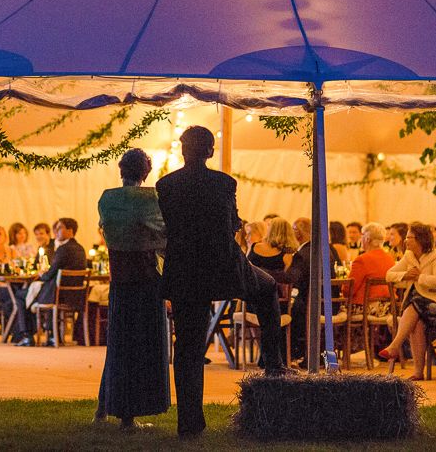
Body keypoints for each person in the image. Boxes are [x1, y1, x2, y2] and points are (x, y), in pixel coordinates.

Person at [156, 126, 285, 439]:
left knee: (187, 346)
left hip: (185, 269)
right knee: (267, 289)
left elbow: (167, 226)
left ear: (182, 150)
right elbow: (232, 223)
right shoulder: (225, 182)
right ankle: (273, 368)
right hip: (224, 265)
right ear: (210, 151)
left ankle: (189, 423)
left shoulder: (166, 184)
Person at [93, 149, 169, 429]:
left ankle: (103, 407)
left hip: (119, 279)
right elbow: (164, 235)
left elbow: (108, 231)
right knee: (142, 346)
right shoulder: (149, 199)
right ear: (145, 172)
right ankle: (128, 416)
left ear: (121, 169)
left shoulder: (107, 198)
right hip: (146, 279)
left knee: (118, 344)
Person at [379, 222, 436, 381]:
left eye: (409, 237)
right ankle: (418, 372)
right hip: (420, 309)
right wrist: (405, 275)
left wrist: (419, 277)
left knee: (415, 304)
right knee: (417, 324)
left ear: (420, 239)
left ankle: (395, 346)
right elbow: (389, 275)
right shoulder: (409, 257)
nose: (406, 240)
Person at [274, 218, 340, 364]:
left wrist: (270, 274)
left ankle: (284, 356)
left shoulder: (302, 254)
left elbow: (291, 279)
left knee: (281, 308)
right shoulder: (325, 250)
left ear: (298, 233)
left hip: (310, 306)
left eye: (293, 229)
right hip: (330, 305)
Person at [14, 217, 87, 347]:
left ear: (70, 231)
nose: (56, 232)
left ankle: (27, 336)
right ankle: (52, 335)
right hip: (75, 296)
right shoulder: (81, 249)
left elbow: (49, 275)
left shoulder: (63, 249)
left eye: (60, 228)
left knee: (20, 295)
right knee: (30, 293)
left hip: (57, 296)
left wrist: (42, 274)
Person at [343, 222, 394, 312]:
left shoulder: (362, 260)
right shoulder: (390, 259)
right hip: (388, 307)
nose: (360, 239)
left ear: (367, 239)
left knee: (336, 311)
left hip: (365, 308)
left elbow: (348, 290)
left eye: (362, 236)